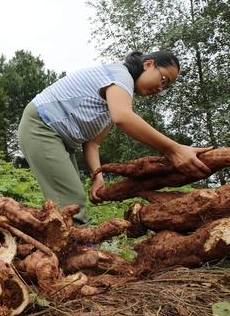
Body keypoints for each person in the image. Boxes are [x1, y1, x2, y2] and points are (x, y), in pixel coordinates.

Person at [17, 50, 212, 225]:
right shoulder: (121, 76)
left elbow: (93, 143)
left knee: (68, 201)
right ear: (148, 64)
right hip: (41, 126)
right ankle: (77, 252)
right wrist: (174, 149)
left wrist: (98, 177)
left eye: (166, 86)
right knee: (71, 201)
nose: (161, 89)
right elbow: (123, 118)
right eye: (163, 79)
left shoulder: (117, 96)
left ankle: (53, 245)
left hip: (57, 137)